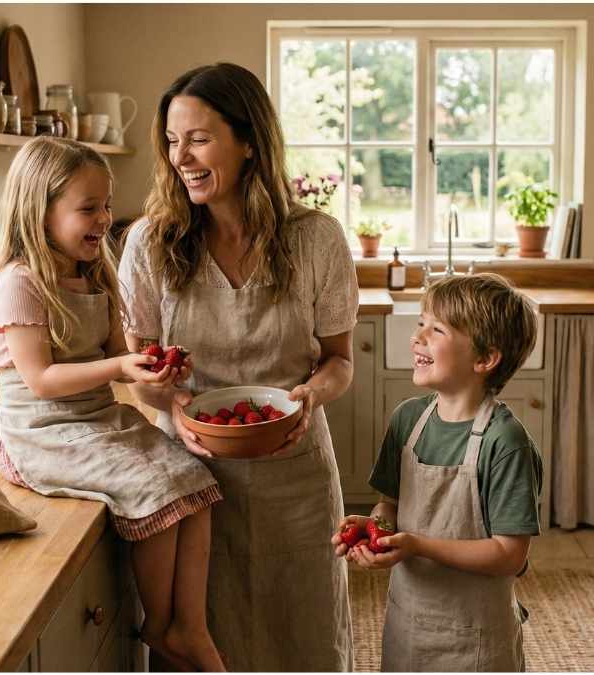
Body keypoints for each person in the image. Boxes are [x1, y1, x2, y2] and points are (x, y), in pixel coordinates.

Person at [118, 62, 358, 671]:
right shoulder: (150, 243)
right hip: (191, 480)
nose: (181, 157)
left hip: (295, 476)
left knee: (301, 634)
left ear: (249, 140)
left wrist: (310, 394)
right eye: (172, 141)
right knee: (208, 639)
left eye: (199, 138)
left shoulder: (317, 240)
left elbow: (339, 361)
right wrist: (165, 398)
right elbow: (141, 368)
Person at [0, 136, 226, 672]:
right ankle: (158, 626)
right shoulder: (20, 282)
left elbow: (117, 354)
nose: (104, 218)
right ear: (38, 211)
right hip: (40, 430)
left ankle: (190, 625)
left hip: (97, 418)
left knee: (196, 480)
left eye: (106, 205)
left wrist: (157, 366)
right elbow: (40, 380)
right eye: (88, 208)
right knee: (156, 492)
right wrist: (119, 368)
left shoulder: (95, 274)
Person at [333, 273, 542, 672]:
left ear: (484, 359)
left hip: (477, 640)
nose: (419, 337)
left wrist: (417, 545)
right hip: (408, 627)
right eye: (420, 323)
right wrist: (374, 528)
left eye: (438, 329)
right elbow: (389, 504)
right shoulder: (407, 420)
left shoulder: (506, 443)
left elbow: (509, 555)